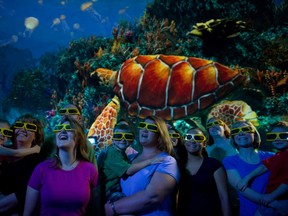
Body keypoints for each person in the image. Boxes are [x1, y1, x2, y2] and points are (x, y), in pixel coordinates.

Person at [105, 115, 180, 216]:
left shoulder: (167, 161)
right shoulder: (129, 158)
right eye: (143, 125)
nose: (145, 129)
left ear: (160, 135)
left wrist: (113, 208)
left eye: (151, 127)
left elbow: (152, 198)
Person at [23, 116, 98, 215]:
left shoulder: (90, 170)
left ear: (79, 137)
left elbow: (96, 210)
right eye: (59, 128)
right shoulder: (41, 169)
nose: (62, 131)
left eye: (68, 128)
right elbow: (27, 213)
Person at [99, 122, 164, 203]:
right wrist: (150, 161)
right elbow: (128, 170)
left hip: (114, 189)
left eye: (127, 136)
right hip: (108, 190)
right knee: (124, 205)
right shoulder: (112, 153)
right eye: (119, 136)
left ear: (132, 140)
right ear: (113, 139)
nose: (123, 139)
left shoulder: (121, 153)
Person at [222, 120, 275, 216]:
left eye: (246, 129)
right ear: (233, 138)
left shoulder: (272, 157)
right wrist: (277, 204)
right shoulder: (229, 161)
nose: (241, 133)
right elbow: (243, 190)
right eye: (236, 131)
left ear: (254, 135)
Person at [177, 126, 231, 216]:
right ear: (184, 141)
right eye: (189, 137)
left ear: (204, 144)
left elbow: (224, 196)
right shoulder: (176, 166)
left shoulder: (214, 165)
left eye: (198, 138)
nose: (193, 140)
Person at [237, 121, 288, 215]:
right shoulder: (279, 155)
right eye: (273, 136)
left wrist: (271, 197)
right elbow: (265, 165)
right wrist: (247, 178)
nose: (277, 139)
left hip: (282, 200)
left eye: (283, 136)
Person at [0, 114, 45, 215]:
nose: (23, 129)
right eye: (19, 125)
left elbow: (23, 194)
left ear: (36, 136)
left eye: (30, 127)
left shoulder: (37, 162)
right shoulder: (3, 150)